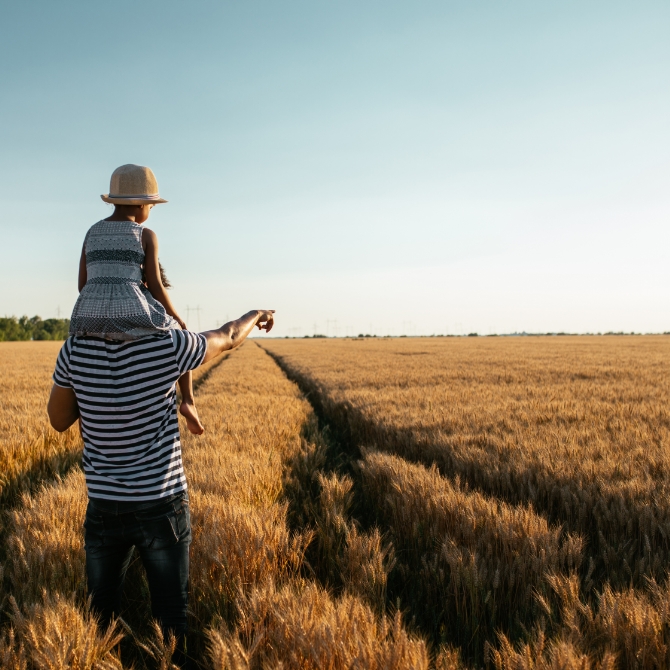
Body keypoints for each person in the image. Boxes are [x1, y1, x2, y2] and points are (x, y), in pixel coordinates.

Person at [48, 306, 274, 668]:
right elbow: (229, 336)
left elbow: (59, 421)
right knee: (171, 624)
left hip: (106, 506)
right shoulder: (169, 344)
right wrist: (256, 313)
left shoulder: (75, 349)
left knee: (99, 622)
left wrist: (98, 392)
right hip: (163, 505)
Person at [69, 163, 204, 435]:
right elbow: (154, 284)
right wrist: (177, 316)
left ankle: (85, 410)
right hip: (131, 313)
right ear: (142, 205)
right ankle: (188, 401)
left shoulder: (91, 232)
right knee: (179, 334)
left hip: (87, 317)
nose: (151, 211)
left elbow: (82, 283)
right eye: (152, 206)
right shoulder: (145, 235)